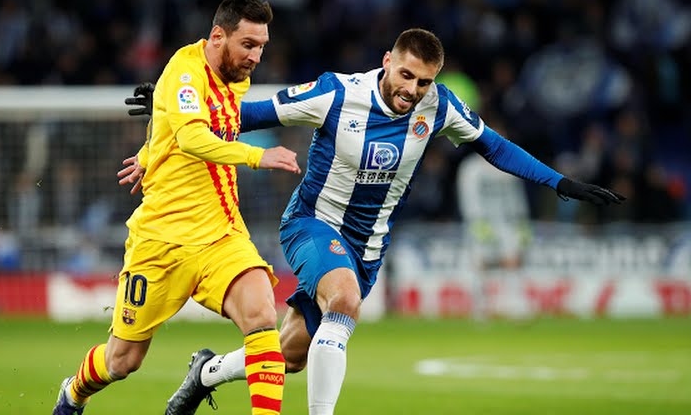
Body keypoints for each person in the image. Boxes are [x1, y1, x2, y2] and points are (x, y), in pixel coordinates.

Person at [122, 28, 624, 415]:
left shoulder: (439, 106)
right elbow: (248, 113)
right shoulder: (337, 94)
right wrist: (175, 109)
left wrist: (561, 183)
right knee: (344, 300)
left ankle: (206, 373)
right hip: (312, 225)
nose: (412, 90)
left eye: (424, 81)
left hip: (368, 246)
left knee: (292, 353)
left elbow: (493, 146)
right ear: (388, 62)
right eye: (405, 75)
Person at [54, 0, 301, 415]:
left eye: (262, 46)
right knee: (122, 361)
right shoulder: (185, 72)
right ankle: (73, 393)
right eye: (248, 45)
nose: (256, 56)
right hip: (161, 241)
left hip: (220, 234)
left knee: (261, 312)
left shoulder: (234, 76)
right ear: (218, 36)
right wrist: (258, 156)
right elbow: (191, 138)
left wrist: (152, 148)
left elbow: (182, 128)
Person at [456, 121, 532, 319]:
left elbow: (517, 198)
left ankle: (515, 306)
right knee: (481, 264)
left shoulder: (510, 166)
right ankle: (480, 309)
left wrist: (522, 224)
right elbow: (468, 199)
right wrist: (477, 224)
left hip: (507, 223)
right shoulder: (471, 168)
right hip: (481, 225)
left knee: (513, 262)